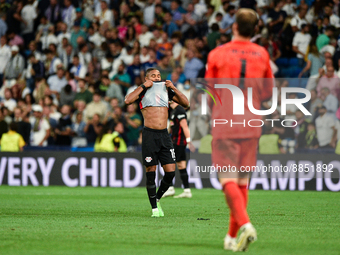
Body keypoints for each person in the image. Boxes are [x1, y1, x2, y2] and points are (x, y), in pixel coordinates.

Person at [205, 8, 274, 252]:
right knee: (242, 182)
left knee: (227, 180)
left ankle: (246, 225)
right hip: (252, 122)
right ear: (255, 30)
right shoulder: (262, 54)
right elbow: (267, 93)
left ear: (233, 26)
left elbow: (210, 90)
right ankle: (230, 238)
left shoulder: (217, 54)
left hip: (226, 121)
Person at [124, 67, 189, 217]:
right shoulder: (143, 91)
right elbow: (128, 100)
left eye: (158, 75)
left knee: (170, 173)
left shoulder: (167, 91)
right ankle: (154, 208)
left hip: (164, 136)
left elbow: (185, 103)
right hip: (149, 135)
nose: (157, 77)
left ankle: (157, 198)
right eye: (153, 75)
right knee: (151, 171)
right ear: (147, 78)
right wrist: (143, 86)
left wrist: (173, 88)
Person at [163, 100, 194, 198]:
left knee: (168, 163)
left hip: (178, 142)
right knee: (181, 166)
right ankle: (187, 190)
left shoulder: (179, 110)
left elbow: (184, 126)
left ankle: (170, 188)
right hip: (176, 142)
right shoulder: (174, 111)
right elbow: (171, 127)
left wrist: (189, 141)